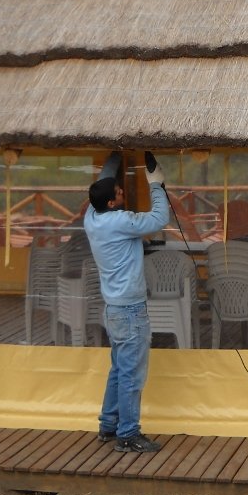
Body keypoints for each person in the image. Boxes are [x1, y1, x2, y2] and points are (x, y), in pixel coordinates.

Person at [84, 151, 169, 453]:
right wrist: (156, 183)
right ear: (111, 203)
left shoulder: (92, 216)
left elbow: (102, 182)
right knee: (132, 375)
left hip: (114, 309)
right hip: (131, 311)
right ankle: (128, 435)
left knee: (119, 370)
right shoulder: (119, 221)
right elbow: (160, 218)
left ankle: (108, 426)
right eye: (119, 193)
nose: (123, 192)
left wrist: (115, 154)